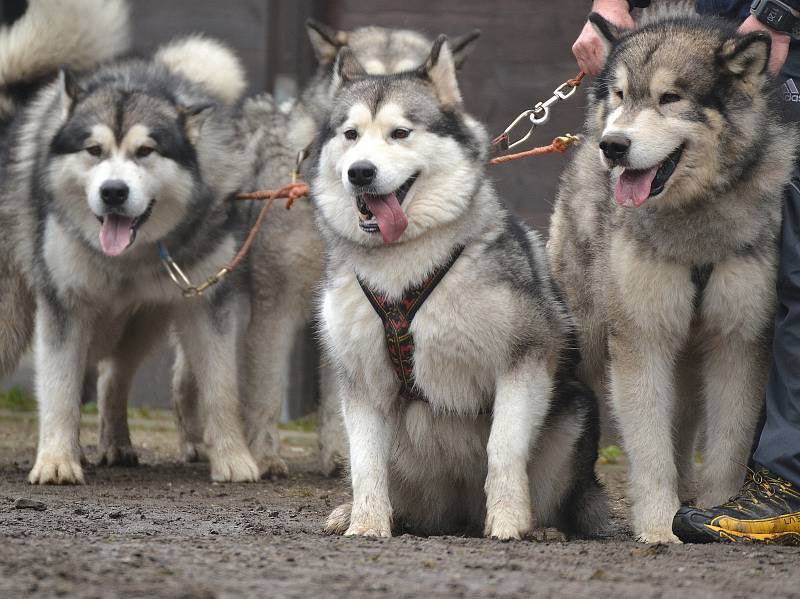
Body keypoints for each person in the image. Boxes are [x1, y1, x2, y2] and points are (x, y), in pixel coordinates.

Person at [573, 0, 800, 544]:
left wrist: (778, 13)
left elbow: (738, 354)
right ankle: (648, 501)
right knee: (620, 341)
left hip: (769, 39)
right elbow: (637, 354)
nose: (620, 130)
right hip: (714, 24)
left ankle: (725, 501)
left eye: (669, 101)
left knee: (745, 342)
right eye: (621, 99)